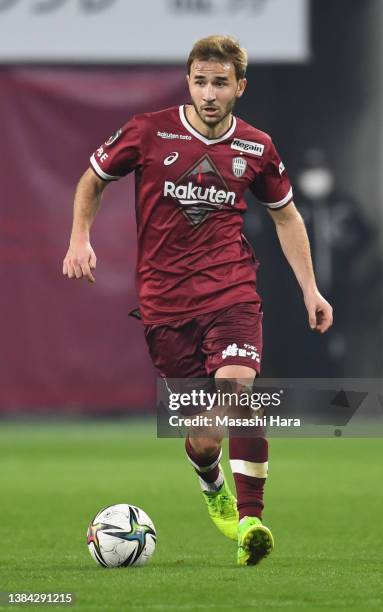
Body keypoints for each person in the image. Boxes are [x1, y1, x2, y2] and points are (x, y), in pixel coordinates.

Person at [63, 35, 333, 566]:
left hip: (231, 292)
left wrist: (310, 287)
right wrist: (79, 238)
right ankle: (213, 485)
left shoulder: (256, 147)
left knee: (238, 388)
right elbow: (93, 180)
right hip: (165, 307)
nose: (209, 93)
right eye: (200, 81)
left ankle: (252, 520)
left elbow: (286, 215)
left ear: (239, 87)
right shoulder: (148, 130)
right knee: (206, 437)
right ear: (189, 81)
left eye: (220, 83)